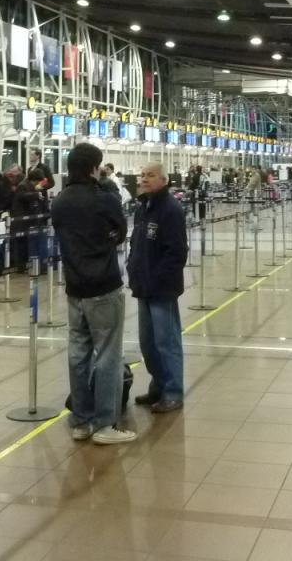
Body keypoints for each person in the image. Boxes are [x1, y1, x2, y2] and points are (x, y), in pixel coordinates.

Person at [51, 142, 132, 445]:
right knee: (109, 354)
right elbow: (120, 232)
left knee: (78, 354)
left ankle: (81, 421)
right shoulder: (104, 198)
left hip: (74, 287)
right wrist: (105, 238)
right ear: (94, 168)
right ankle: (105, 424)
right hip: (104, 286)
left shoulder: (59, 201)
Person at [127, 163, 189, 413]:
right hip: (143, 285)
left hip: (161, 289)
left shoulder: (170, 209)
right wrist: (132, 268)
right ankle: (159, 385)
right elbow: (136, 243)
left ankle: (173, 392)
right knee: (148, 343)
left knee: (166, 342)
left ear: (164, 180)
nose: (144, 179)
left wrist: (158, 279)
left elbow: (177, 252)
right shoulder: (143, 207)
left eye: (150, 175)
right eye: (142, 175)